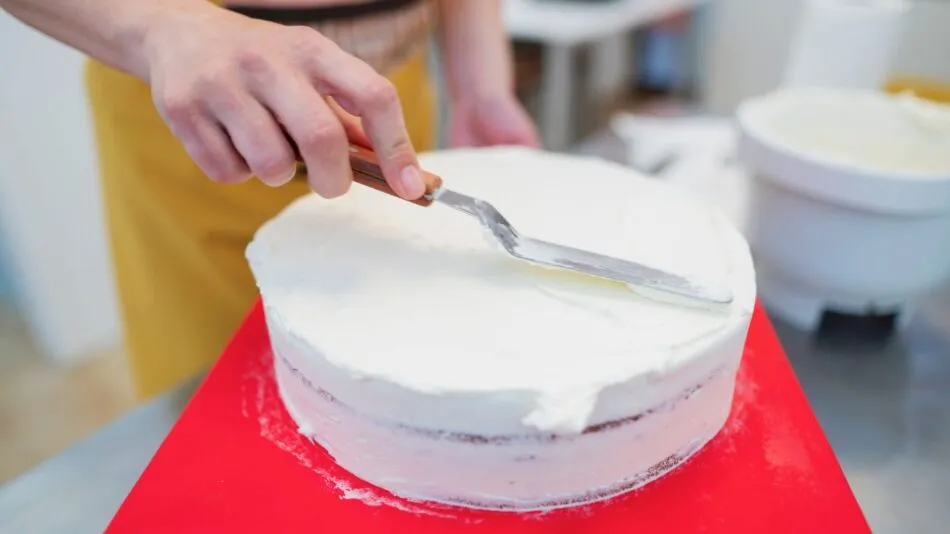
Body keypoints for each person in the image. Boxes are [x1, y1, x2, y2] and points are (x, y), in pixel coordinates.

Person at [2, 0, 540, 400]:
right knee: (222, 412)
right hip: (204, 108)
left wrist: (477, 80)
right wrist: (161, 29)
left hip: (374, 112)